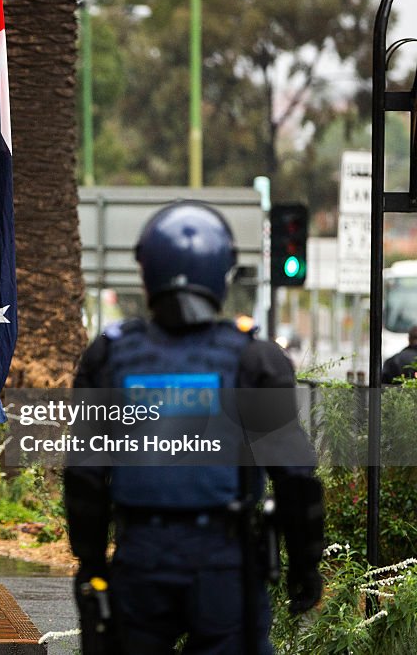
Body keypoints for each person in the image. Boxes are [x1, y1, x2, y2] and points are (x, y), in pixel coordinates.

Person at [63, 202, 325, 655]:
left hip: (139, 560)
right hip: (226, 568)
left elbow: (84, 474)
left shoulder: (110, 357)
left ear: (148, 273)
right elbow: (295, 476)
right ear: (221, 274)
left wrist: (90, 562)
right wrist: (305, 566)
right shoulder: (253, 359)